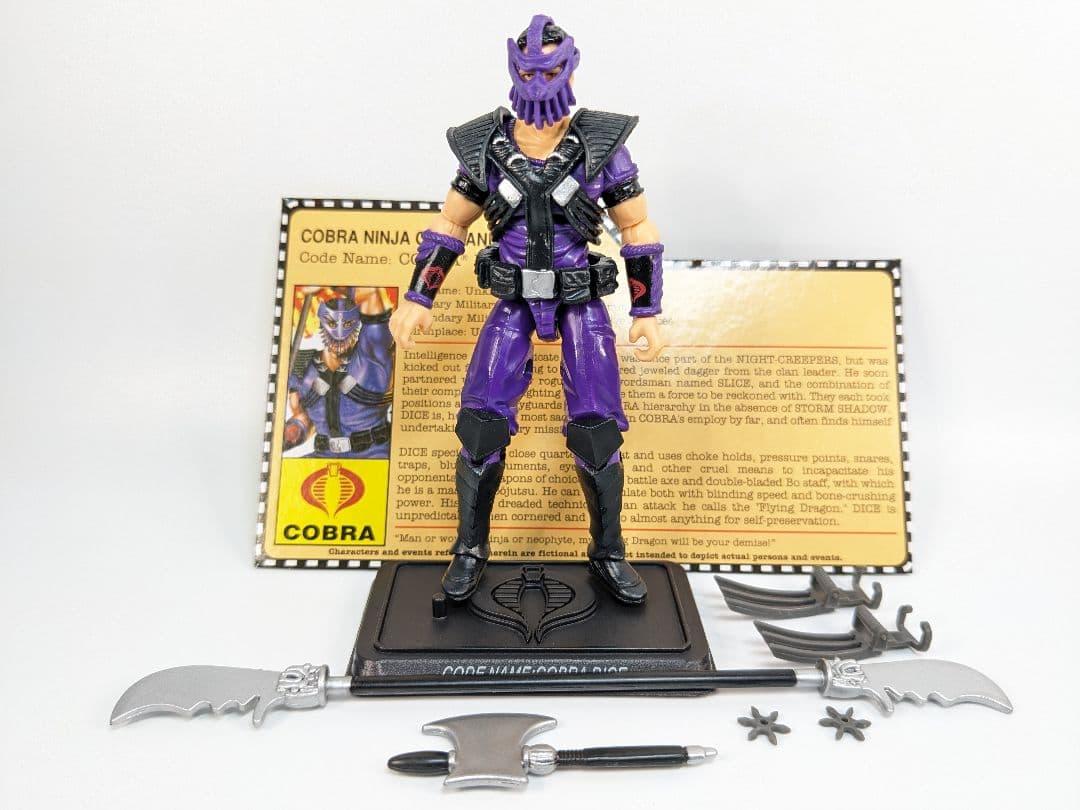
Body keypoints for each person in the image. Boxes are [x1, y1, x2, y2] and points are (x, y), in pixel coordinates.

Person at [389, 15, 666, 604]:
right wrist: (418, 296)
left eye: (551, 69)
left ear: (571, 68)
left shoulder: (602, 144)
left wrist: (647, 310)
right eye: (529, 71)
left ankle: (609, 552)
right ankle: (469, 550)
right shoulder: (486, 146)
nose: (539, 82)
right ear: (513, 69)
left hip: (579, 300)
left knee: (596, 429)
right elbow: (451, 223)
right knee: (480, 421)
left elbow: (636, 226)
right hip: (513, 299)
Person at [286, 287, 394, 459]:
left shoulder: (371, 358)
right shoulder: (302, 367)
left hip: (373, 454)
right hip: (325, 454)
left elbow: (371, 294)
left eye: (347, 324)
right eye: (332, 324)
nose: (339, 334)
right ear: (321, 325)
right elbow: (304, 419)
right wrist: (293, 430)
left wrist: (325, 284)